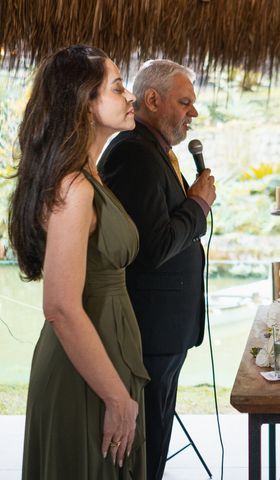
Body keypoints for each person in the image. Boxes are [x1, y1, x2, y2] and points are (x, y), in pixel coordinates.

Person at [9, 45, 148, 478]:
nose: (132, 98)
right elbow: (61, 307)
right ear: (85, 102)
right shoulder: (74, 186)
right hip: (84, 374)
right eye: (119, 87)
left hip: (106, 356)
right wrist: (115, 397)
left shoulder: (91, 175)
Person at [99, 59, 216, 480]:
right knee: (144, 449)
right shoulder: (134, 154)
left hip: (166, 330)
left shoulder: (157, 152)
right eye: (185, 102)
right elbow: (154, 247)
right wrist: (198, 204)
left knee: (156, 440)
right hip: (150, 330)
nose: (194, 113)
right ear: (152, 99)